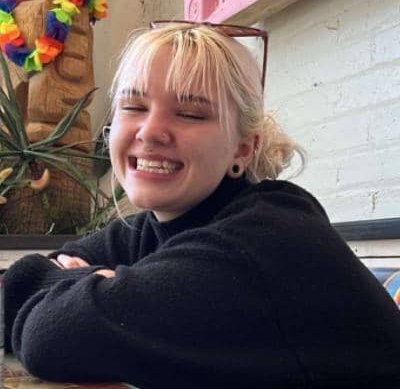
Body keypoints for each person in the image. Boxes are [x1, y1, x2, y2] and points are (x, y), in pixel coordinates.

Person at [4, 21, 400, 389]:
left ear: (243, 149)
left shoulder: (264, 239)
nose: (151, 132)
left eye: (190, 113)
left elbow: (51, 337)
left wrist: (87, 285)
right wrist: (95, 284)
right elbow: (14, 294)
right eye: (134, 107)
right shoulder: (154, 227)